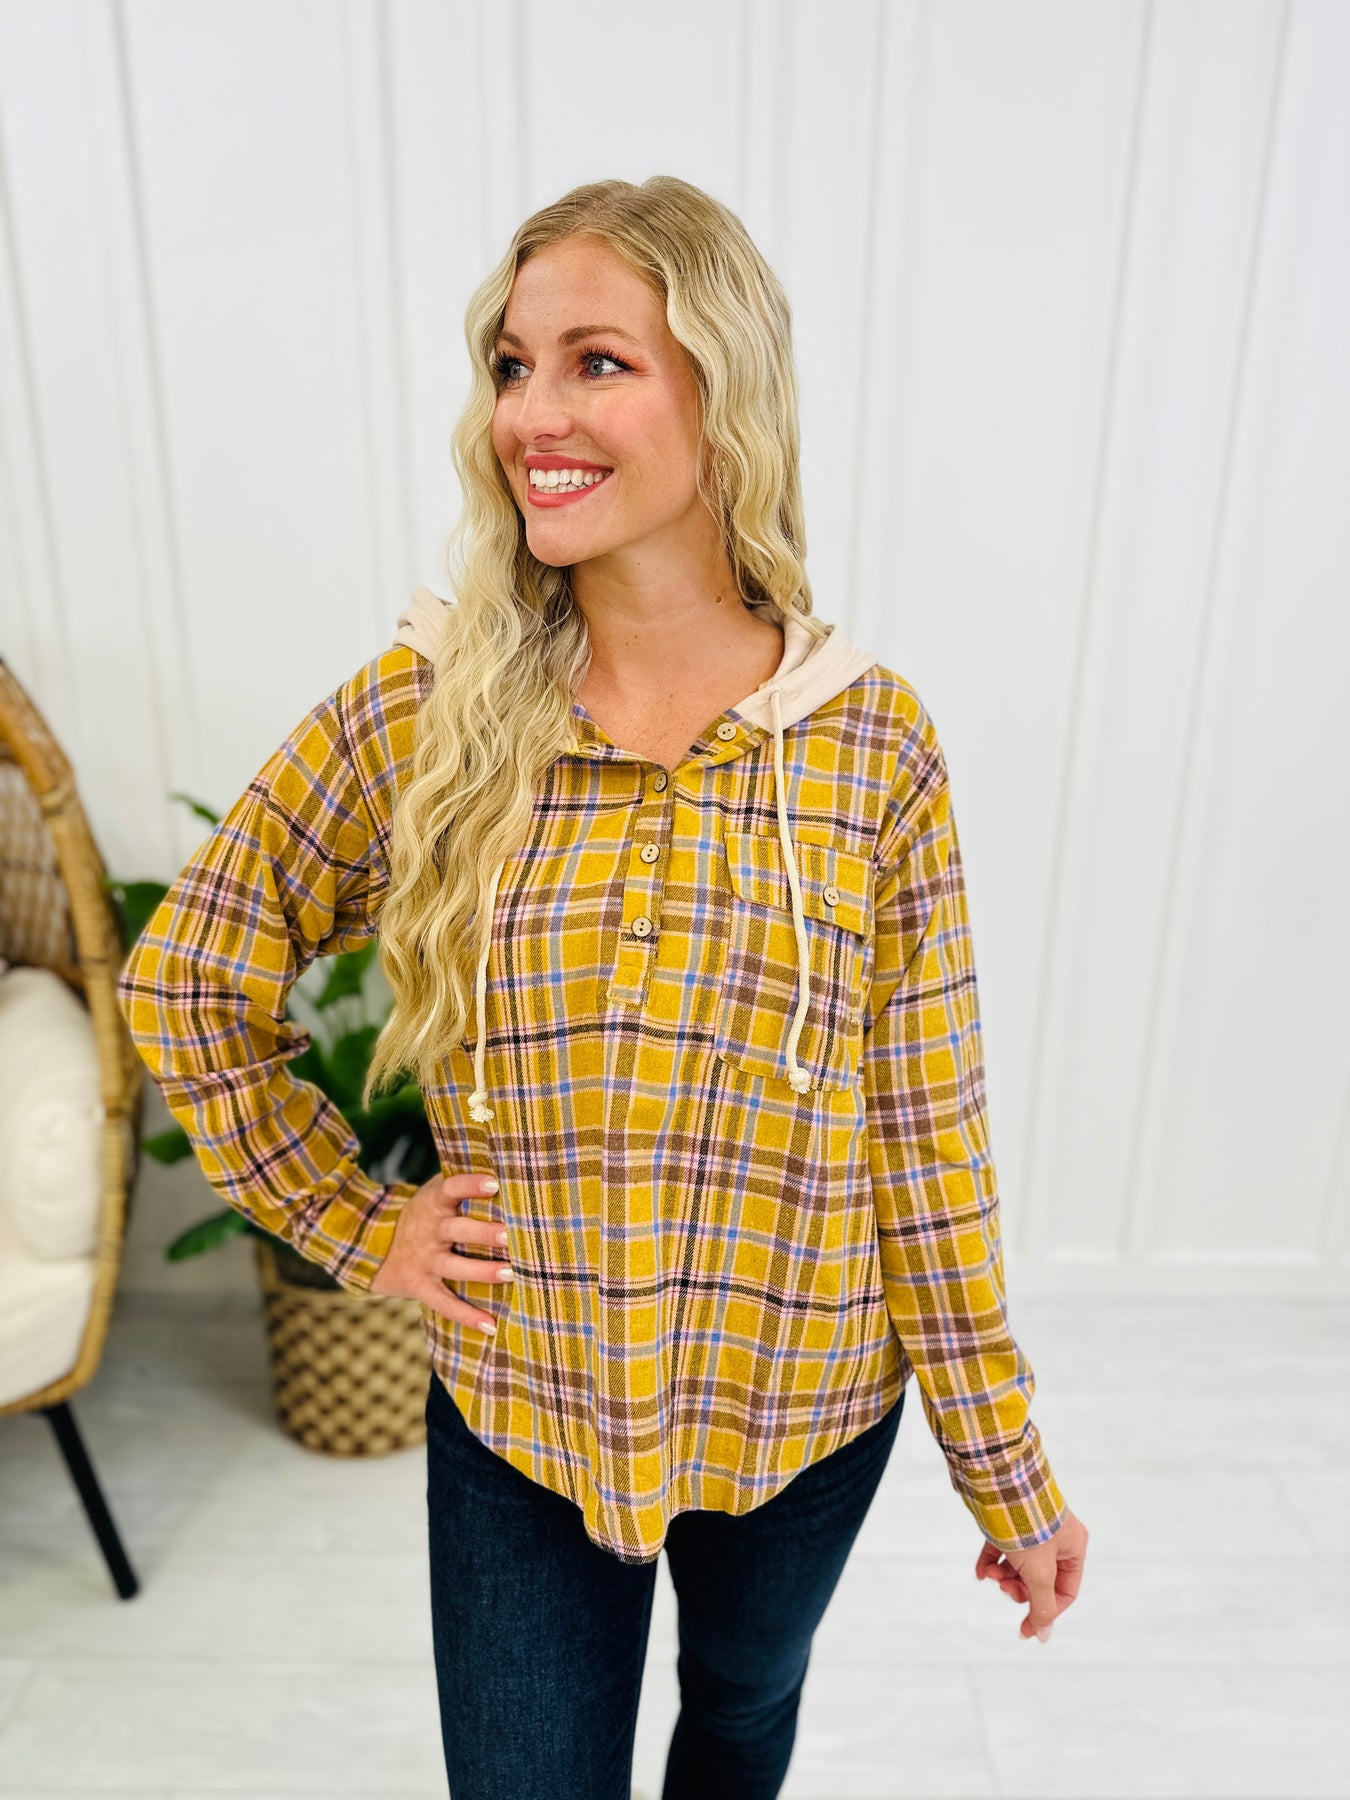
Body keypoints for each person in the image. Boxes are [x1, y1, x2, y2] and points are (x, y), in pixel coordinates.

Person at [117, 175, 1088, 1800]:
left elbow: (925, 1137)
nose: (530, 415)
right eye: (511, 366)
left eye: (595, 363)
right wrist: (357, 1220)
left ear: (723, 389)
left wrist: (1003, 1463)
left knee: (739, 1715)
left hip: (797, 1399)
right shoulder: (424, 711)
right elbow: (189, 976)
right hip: (523, 1397)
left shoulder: (868, 746)